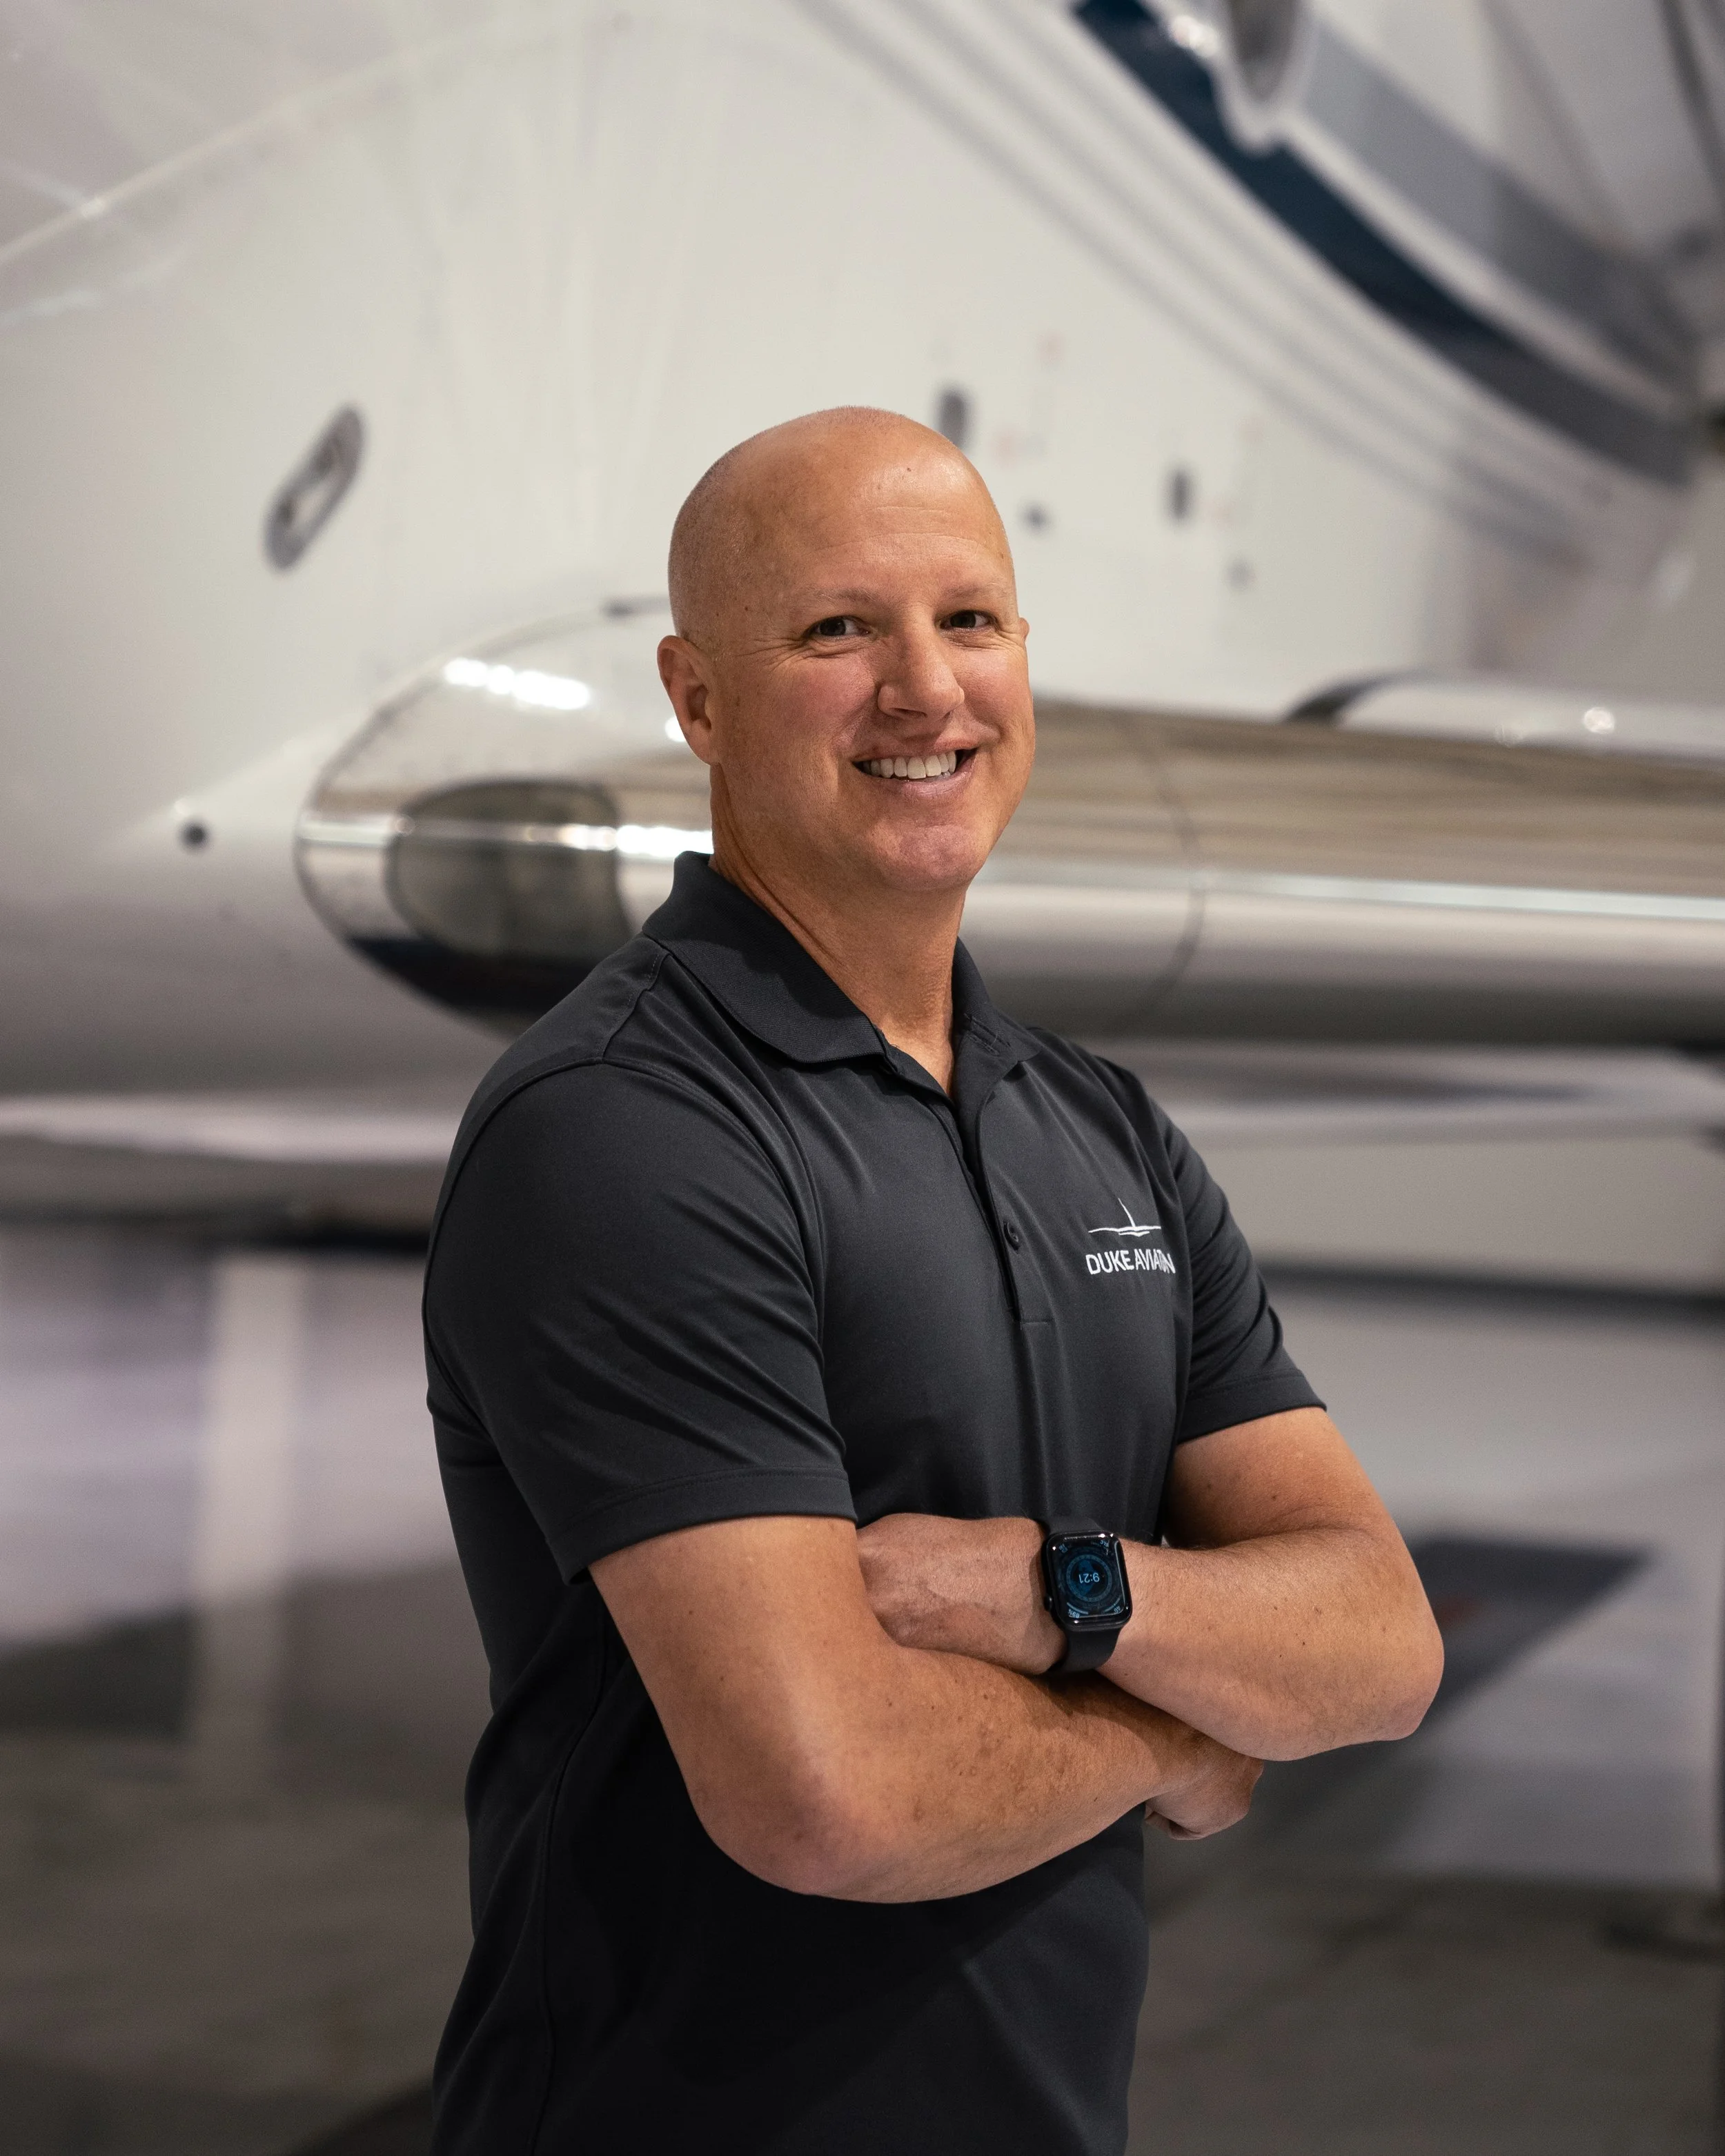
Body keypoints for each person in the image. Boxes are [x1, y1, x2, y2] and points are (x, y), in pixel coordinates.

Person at [423, 406, 1443, 2155]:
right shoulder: (622, 1128)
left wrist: (1061, 1594)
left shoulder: (1096, 1126)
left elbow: (1380, 1640)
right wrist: (1167, 1738)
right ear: (696, 698)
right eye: (838, 629)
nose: (924, 689)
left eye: (968, 619)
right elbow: (826, 1791)